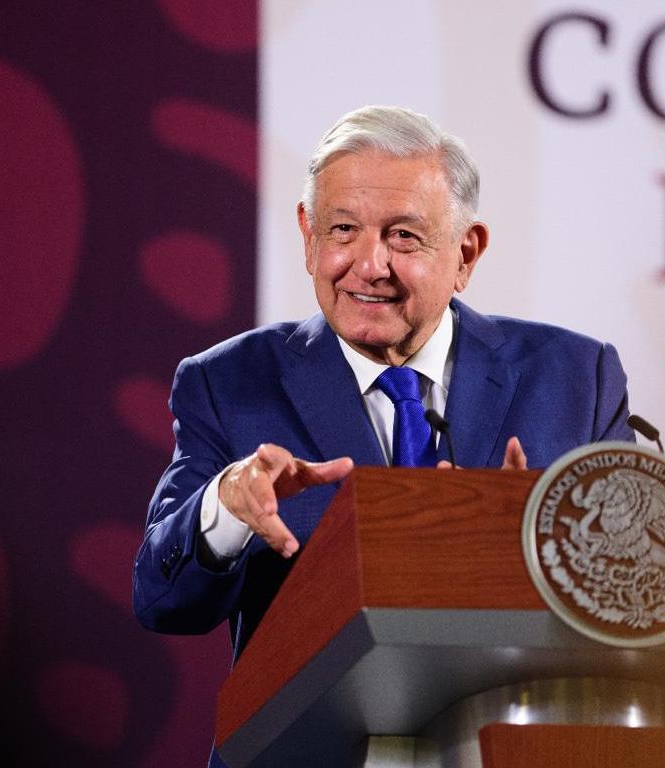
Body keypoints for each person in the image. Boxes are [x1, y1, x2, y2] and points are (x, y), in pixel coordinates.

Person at [133, 105, 633, 663]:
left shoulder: (577, 379)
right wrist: (225, 509)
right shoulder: (227, 383)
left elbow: (641, 592)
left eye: (403, 236)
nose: (370, 265)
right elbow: (162, 601)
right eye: (343, 230)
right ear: (308, 236)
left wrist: (542, 555)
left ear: (465, 254)